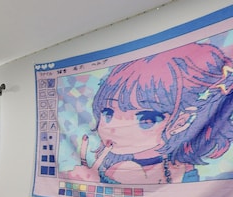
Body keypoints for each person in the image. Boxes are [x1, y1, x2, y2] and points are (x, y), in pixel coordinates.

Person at [62, 42, 233, 184]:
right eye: (108, 113)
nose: (114, 128)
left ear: (181, 121)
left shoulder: (181, 168)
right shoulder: (116, 168)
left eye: (146, 119)